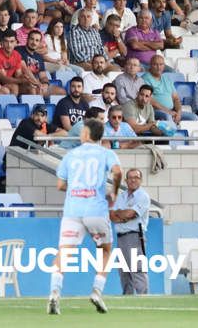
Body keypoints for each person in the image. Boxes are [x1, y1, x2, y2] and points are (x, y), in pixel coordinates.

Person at [48, 118, 121, 315]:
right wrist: (113, 192)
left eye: (82, 131)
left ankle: (55, 292)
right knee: (105, 250)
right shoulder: (106, 153)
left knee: (64, 251)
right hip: (96, 209)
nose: (80, 134)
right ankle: (97, 290)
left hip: (73, 210)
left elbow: (61, 185)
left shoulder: (71, 155)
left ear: (87, 134)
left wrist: (77, 190)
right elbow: (117, 172)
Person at [109, 168, 150, 295]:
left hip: (135, 237)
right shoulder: (121, 196)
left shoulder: (143, 196)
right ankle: (128, 300)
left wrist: (121, 213)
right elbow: (112, 216)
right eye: (130, 177)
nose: (133, 180)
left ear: (141, 180)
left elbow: (131, 213)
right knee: (124, 272)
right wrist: (124, 215)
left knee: (137, 269)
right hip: (121, 237)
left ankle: (144, 299)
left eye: (136, 177)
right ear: (126, 180)